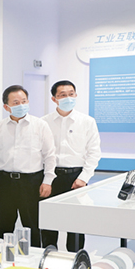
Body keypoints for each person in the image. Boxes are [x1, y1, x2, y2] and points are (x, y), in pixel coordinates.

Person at [0, 85, 56, 248]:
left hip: (31, 181)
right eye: (16, 102)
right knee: (4, 225)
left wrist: (48, 181)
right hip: (4, 181)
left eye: (24, 101)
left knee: (32, 225)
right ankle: (3, 256)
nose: (21, 105)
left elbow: (50, 155)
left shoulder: (40, 125)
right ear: (6, 106)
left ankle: (33, 259)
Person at [41, 80, 101, 251]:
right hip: (50, 176)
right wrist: (45, 179)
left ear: (76, 95)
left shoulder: (87, 121)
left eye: (71, 94)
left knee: (76, 223)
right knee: (49, 221)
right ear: (54, 99)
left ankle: (76, 257)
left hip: (76, 177)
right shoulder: (44, 122)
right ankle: (49, 255)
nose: (68, 98)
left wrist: (84, 178)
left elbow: (94, 152)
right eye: (62, 95)